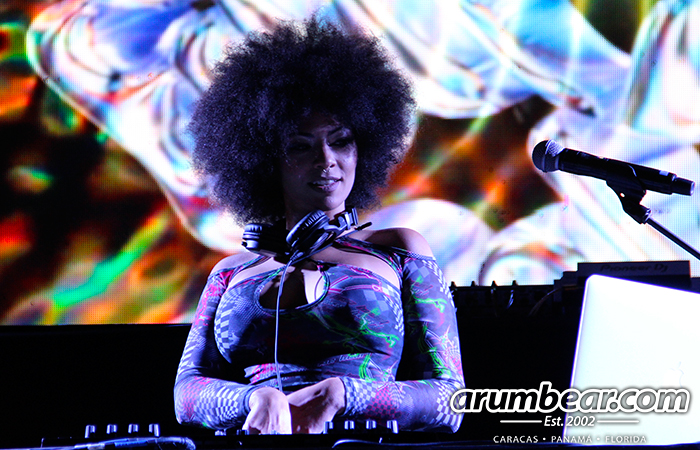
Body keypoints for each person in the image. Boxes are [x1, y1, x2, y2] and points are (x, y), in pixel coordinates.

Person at [174, 16, 464, 435]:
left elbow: (450, 398)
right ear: (264, 160)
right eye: (300, 146)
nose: (327, 160)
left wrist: (343, 396)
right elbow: (186, 395)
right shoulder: (230, 273)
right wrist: (256, 400)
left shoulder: (399, 250)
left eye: (341, 141)